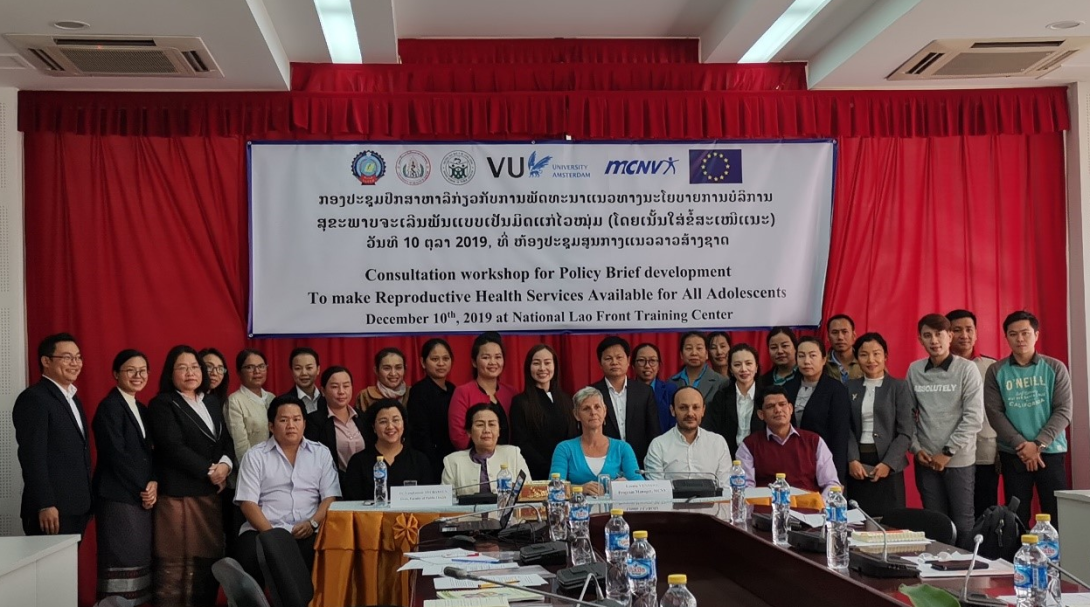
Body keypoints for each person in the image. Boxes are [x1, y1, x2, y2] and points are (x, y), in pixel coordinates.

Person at [146, 344, 234, 607]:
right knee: (176, 564)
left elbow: (224, 441)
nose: (190, 373)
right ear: (170, 373)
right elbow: (172, 446)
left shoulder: (211, 401)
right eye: (182, 368)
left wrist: (225, 466)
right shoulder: (163, 404)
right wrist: (210, 471)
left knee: (207, 558)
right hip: (178, 494)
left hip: (209, 494)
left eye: (195, 367)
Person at [234, 396, 339, 587]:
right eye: (283, 420)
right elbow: (247, 503)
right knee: (249, 552)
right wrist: (273, 536)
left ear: (304, 424)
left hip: (308, 529)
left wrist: (312, 523)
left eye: (296, 419)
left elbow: (330, 497)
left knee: (330, 550)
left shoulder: (321, 453)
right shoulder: (255, 456)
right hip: (264, 530)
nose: (291, 425)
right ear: (271, 426)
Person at [984, 311, 1072, 527]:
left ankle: (1057, 551)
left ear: (1036, 335)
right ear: (1006, 337)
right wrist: (1022, 445)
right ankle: (1018, 551)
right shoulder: (996, 371)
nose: (1020, 339)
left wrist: (1038, 444)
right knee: (1016, 516)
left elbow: (1063, 411)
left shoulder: (1055, 367)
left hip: (1050, 452)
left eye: (1025, 333)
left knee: (1056, 514)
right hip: (1014, 453)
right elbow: (994, 413)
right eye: (1013, 334)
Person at [907, 314, 983, 549]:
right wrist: (916, 449)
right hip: (926, 459)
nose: (934, 340)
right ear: (920, 339)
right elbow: (907, 415)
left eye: (939, 334)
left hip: (958, 459)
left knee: (963, 522)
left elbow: (974, 418)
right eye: (927, 335)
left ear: (949, 336)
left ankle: (965, 567)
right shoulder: (915, 370)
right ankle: (938, 565)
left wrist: (947, 452)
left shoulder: (967, 369)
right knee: (935, 521)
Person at [91, 349, 157, 605]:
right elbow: (115, 454)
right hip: (117, 496)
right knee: (120, 559)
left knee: (139, 558)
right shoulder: (109, 407)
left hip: (140, 496)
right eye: (131, 370)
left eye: (143, 371)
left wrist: (153, 482)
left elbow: (151, 453)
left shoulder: (141, 408)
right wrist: (144, 486)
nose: (138, 375)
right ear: (116, 374)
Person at [13, 333, 93, 537]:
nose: (75, 363)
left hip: (77, 506)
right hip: (51, 511)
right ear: (46, 361)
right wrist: (45, 503)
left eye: (78, 357)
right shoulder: (34, 399)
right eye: (67, 357)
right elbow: (32, 456)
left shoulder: (73, 399)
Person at [844, 333, 915, 516]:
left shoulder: (899, 387)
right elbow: (846, 428)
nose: (871, 360)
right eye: (864, 354)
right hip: (858, 465)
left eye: (876, 354)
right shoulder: (848, 387)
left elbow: (905, 432)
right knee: (858, 519)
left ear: (885, 356)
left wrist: (888, 464)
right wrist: (852, 459)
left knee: (892, 521)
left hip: (888, 465)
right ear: (856, 358)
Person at [736, 386, 840, 499]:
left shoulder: (814, 441)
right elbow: (746, 489)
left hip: (809, 508)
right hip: (766, 509)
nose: (778, 410)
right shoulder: (749, 445)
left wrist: (821, 505)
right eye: (770, 406)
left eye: (782, 404)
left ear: (790, 409)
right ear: (761, 414)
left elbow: (831, 484)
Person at [946, 309, 1000, 519]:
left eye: (969, 329)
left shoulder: (991, 367)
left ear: (976, 333)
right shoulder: (937, 368)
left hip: (984, 451)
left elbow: (1001, 410)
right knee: (953, 513)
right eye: (957, 330)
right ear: (948, 334)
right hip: (949, 452)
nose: (964, 335)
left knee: (984, 511)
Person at [550, 387, 644, 494]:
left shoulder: (622, 448)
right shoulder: (564, 449)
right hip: (578, 504)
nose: (593, 412)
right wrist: (581, 489)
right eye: (586, 408)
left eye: (597, 407)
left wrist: (626, 485)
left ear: (605, 411)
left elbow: (640, 485)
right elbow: (553, 487)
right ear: (576, 415)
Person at [784, 337, 853, 483]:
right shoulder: (787, 388)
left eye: (812, 355)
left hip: (822, 463)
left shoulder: (836, 390)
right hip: (790, 462)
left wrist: (838, 478)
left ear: (823, 359)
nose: (806, 361)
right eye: (801, 356)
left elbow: (840, 436)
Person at [510, 344, 577, 479]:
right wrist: (549, 468)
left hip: (567, 472)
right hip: (537, 474)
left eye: (547, 363)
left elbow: (573, 436)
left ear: (555, 366)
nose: (542, 368)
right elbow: (522, 443)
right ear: (528, 367)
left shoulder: (566, 400)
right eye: (536, 363)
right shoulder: (520, 402)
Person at [591, 336, 660, 467]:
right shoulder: (591, 393)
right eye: (608, 358)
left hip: (639, 462)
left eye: (619, 357)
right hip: (603, 462)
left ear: (628, 361)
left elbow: (653, 431)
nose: (614, 362)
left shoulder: (645, 392)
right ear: (600, 363)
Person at [344, 399, 434, 500]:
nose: (390, 427)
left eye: (396, 420)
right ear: (373, 427)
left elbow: (428, 502)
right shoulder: (358, 462)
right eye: (383, 422)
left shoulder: (420, 461)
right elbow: (351, 504)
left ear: (404, 424)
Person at [645, 387, 732, 487]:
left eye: (696, 407)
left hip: (712, 498)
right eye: (683, 408)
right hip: (671, 498)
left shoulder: (718, 443)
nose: (690, 413)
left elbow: (725, 487)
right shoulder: (658, 445)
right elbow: (657, 489)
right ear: (672, 410)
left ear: (703, 410)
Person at [442, 403, 530, 496]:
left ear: (499, 431)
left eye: (492, 424)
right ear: (469, 432)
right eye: (480, 425)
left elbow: (529, 494)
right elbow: (445, 502)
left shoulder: (513, 454)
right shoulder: (452, 462)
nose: (486, 430)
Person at [448, 332, 516, 450]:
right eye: (486, 357)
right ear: (474, 362)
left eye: (498, 357)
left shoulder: (511, 393)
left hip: (508, 457)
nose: (493, 362)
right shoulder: (463, 392)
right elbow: (458, 437)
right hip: (474, 457)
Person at [305, 366, 367, 488]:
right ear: (323, 391)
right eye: (334, 387)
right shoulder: (314, 421)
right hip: (332, 486)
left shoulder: (363, 418)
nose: (341, 391)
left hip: (364, 485)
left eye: (346, 386)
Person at [406, 339, 457, 474]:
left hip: (454, 458)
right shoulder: (419, 391)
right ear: (423, 362)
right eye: (435, 359)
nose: (441, 363)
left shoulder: (454, 390)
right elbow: (419, 434)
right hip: (430, 461)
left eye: (445, 358)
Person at [705, 343, 765, 455]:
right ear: (731, 370)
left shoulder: (766, 396)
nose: (743, 369)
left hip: (760, 456)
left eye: (748, 363)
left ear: (756, 367)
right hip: (727, 456)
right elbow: (713, 431)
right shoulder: (721, 397)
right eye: (737, 365)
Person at [224, 348, 274, 464]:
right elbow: (240, 445)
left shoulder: (272, 398)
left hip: (276, 464)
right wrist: (251, 468)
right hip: (252, 466)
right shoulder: (234, 401)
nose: (257, 371)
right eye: (250, 367)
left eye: (261, 366)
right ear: (239, 372)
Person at [632, 342, 678, 433]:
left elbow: (675, 423)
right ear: (633, 366)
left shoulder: (670, 390)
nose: (647, 366)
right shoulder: (627, 391)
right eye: (641, 360)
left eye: (652, 361)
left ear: (659, 366)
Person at [669, 331, 726, 403]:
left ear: (706, 354)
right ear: (681, 354)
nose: (694, 353)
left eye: (699, 348)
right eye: (689, 348)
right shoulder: (671, 382)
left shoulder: (721, 382)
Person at [280, 347, 325, 414]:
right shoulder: (283, 403)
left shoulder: (328, 398)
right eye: (298, 368)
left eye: (309, 368)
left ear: (318, 370)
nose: (304, 373)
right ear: (291, 371)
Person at [825, 314, 863, 382]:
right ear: (828, 337)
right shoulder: (822, 363)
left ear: (854, 335)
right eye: (835, 332)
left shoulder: (864, 362)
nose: (840, 337)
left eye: (845, 332)